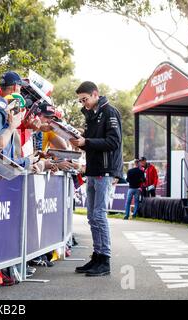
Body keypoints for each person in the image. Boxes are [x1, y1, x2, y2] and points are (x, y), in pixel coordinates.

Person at [70, 81, 123, 277]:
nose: (83, 104)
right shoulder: (91, 115)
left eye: (85, 99)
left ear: (95, 94)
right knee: (92, 216)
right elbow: (91, 143)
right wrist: (79, 141)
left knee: (99, 215)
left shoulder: (109, 112)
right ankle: (97, 255)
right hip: (92, 170)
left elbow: (113, 141)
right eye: (81, 101)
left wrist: (87, 141)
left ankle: (105, 260)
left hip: (105, 170)